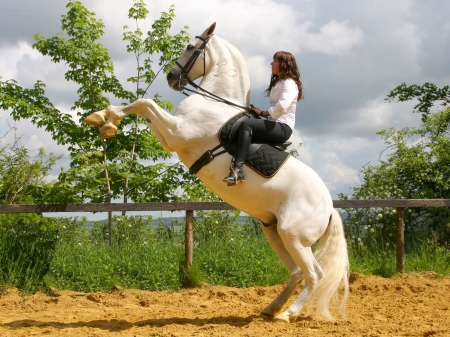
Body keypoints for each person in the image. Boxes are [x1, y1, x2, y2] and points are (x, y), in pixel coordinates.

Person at [223, 51, 303, 185]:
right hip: (274, 124)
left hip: (283, 128)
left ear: (283, 64)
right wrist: (257, 113)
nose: (271, 64)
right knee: (246, 119)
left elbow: (281, 107)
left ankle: (237, 170)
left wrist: (262, 114)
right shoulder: (279, 82)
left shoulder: (289, 83)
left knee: (247, 125)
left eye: (275, 61)